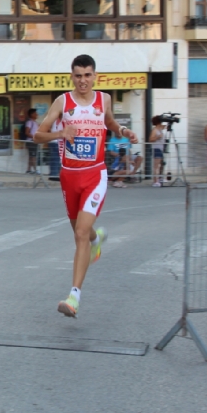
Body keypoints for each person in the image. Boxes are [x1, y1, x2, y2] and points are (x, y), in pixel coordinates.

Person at [33, 54, 138, 319]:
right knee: (81, 232)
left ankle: (74, 297)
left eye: (87, 75)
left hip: (95, 175)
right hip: (69, 177)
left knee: (79, 233)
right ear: (72, 76)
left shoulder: (104, 99)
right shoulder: (62, 102)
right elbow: (37, 135)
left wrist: (124, 131)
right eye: (78, 75)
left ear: (95, 76)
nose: (83, 80)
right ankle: (97, 238)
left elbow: (110, 122)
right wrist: (60, 133)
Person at [149, 115, 166, 187]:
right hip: (156, 148)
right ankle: (155, 181)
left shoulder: (160, 129)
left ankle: (159, 178)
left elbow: (165, 126)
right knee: (156, 166)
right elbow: (150, 139)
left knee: (162, 164)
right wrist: (158, 137)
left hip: (161, 148)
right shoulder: (155, 130)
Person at [48, 117, 63, 182]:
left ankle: (53, 173)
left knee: (54, 158)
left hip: (52, 140)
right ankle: (54, 174)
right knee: (56, 158)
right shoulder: (60, 120)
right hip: (56, 141)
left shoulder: (53, 120)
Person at [25, 108, 40, 174]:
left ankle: (28, 170)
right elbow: (27, 132)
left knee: (31, 156)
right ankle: (35, 170)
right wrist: (34, 137)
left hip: (34, 141)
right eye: (35, 113)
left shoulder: (35, 123)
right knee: (33, 156)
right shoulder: (29, 122)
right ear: (31, 115)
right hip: (31, 141)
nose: (36, 114)